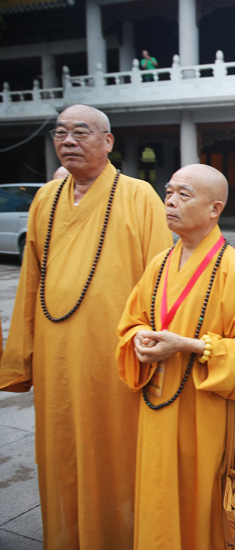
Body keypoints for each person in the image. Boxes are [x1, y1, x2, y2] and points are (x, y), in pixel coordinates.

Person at [0, 104, 172, 549]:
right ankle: (66, 534)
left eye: (80, 132)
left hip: (114, 354)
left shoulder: (138, 196)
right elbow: (31, 281)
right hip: (57, 354)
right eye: (60, 133)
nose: (68, 141)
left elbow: (160, 281)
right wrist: (24, 352)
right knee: (61, 449)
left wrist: (156, 349)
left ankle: (120, 535)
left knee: (113, 450)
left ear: (108, 141)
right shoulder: (45, 198)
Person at [116, 164, 235, 549]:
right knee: (157, 487)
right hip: (157, 401)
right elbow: (131, 321)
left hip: (206, 411)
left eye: (184, 194)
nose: (170, 201)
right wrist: (138, 339)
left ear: (214, 208)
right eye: (169, 192)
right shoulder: (159, 263)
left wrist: (190, 346)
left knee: (198, 494)